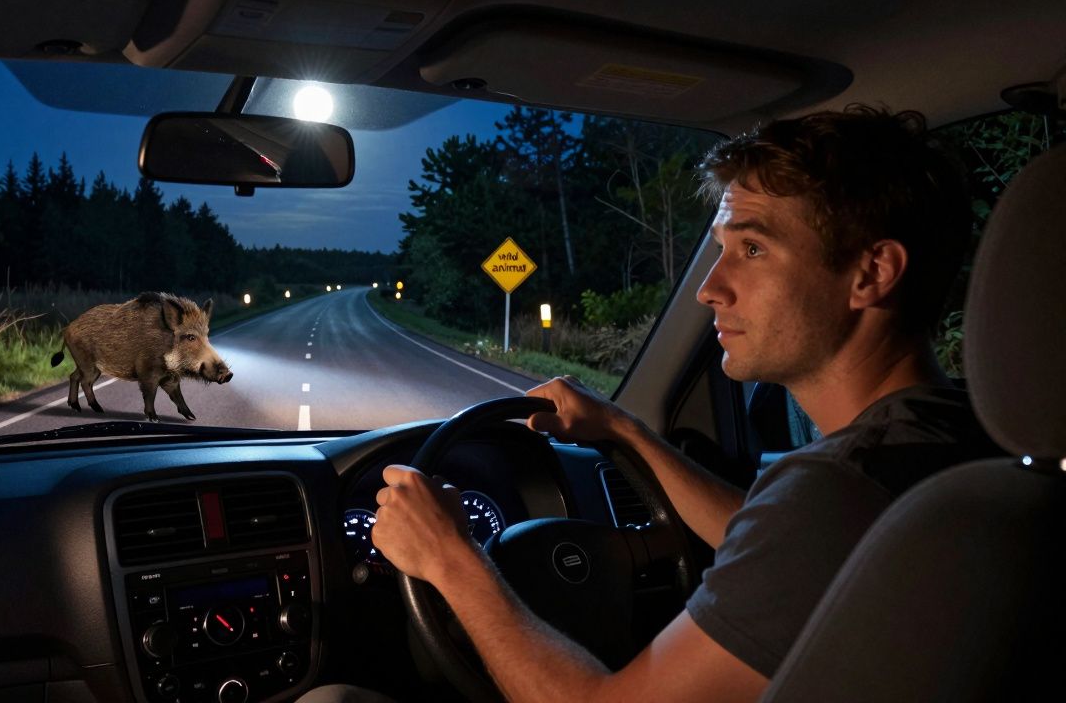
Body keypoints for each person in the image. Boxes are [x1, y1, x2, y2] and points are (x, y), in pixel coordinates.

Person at [301, 105, 1004, 702]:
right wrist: (624, 432)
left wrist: (451, 560)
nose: (710, 288)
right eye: (722, 248)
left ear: (871, 273)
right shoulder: (957, 439)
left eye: (753, 250)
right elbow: (769, 540)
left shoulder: (837, 491)